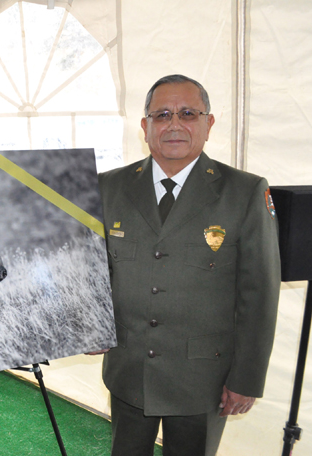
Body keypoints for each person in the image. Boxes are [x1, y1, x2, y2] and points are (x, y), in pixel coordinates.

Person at [94, 74, 280, 455]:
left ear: (208, 124)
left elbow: (259, 294)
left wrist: (246, 378)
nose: (174, 124)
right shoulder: (108, 187)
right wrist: (88, 327)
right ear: (145, 128)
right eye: (162, 115)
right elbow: (94, 274)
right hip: (128, 371)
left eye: (188, 113)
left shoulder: (245, 192)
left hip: (203, 380)